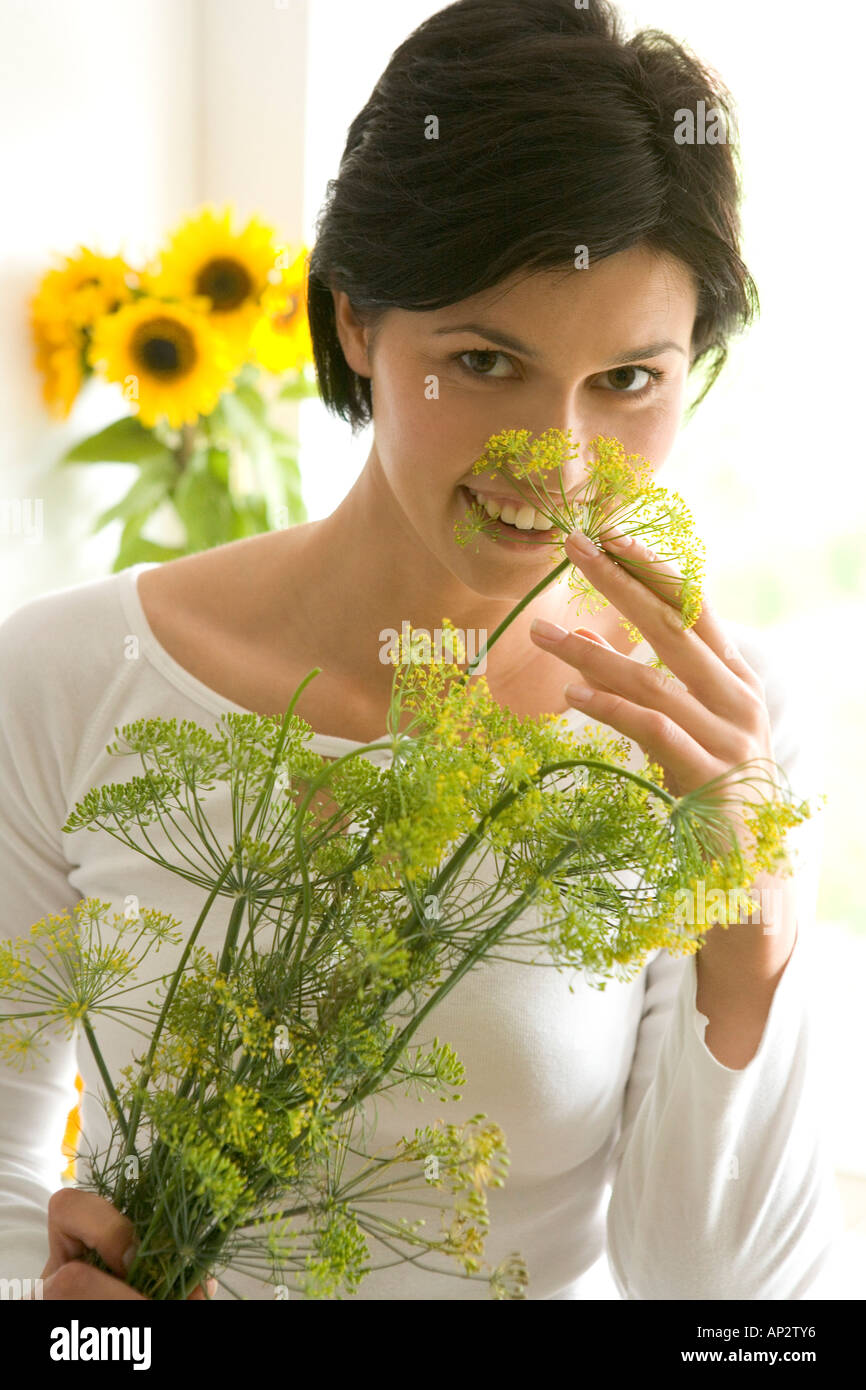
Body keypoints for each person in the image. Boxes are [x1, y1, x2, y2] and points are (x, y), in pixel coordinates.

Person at [0, 0, 842, 1299]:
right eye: (486, 360)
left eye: (627, 380)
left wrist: (748, 921)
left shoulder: (712, 730)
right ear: (354, 322)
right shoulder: (67, 677)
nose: (554, 459)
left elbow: (721, 1301)